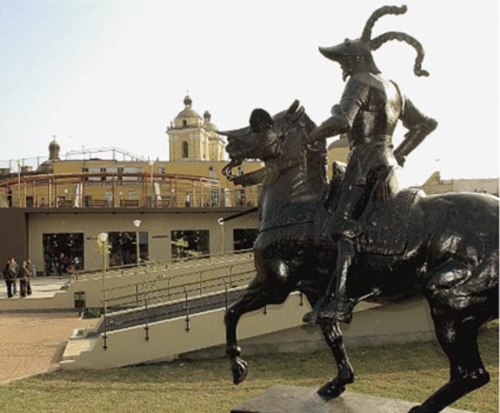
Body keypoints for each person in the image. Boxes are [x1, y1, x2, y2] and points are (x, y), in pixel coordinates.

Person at [307, 5, 437, 322]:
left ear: (354, 59)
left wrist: (312, 136)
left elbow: (341, 120)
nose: (341, 68)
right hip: (389, 165)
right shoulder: (394, 88)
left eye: (342, 62)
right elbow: (425, 124)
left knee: (342, 226)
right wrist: (401, 152)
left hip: (364, 164)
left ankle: (338, 298)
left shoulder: (360, 81)